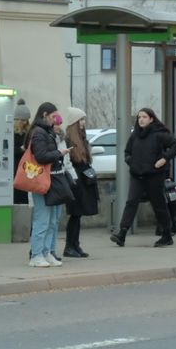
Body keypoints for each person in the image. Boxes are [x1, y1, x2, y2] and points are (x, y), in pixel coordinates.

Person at [111, 107, 176, 247]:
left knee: (159, 205)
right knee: (131, 202)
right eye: (139, 117)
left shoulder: (159, 134)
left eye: (144, 117)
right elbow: (127, 152)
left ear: (151, 119)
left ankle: (167, 235)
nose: (141, 120)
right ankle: (122, 234)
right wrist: (132, 162)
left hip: (154, 176)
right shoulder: (135, 135)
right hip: (137, 175)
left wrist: (164, 159)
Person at [27, 103, 71, 267]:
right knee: (43, 219)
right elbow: (40, 156)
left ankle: (46, 252)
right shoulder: (38, 132)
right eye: (53, 117)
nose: (55, 120)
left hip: (52, 178)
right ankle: (36, 255)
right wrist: (59, 153)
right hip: (43, 180)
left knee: (52, 220)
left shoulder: (47, 131)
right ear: (45, 114)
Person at [62, 107, 99, 258]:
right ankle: (70, 246)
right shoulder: (68, 140)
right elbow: (68, 162)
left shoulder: (82, 138)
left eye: (83, 120)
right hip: (75, 179)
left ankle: (75, 244)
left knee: (79, 214)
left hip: (83, 178)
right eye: (80, 120)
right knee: (75, 214)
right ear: (74, 122)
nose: (83, 123)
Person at [12, 98, 31, 205]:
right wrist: (21, 149)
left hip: (26, 167)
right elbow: (9, 151)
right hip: (16, 167)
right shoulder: (11, 133)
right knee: (16, 195)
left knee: (24, 195)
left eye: (26, 120)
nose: (25, 123)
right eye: (23, 120)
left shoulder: (28, 132)